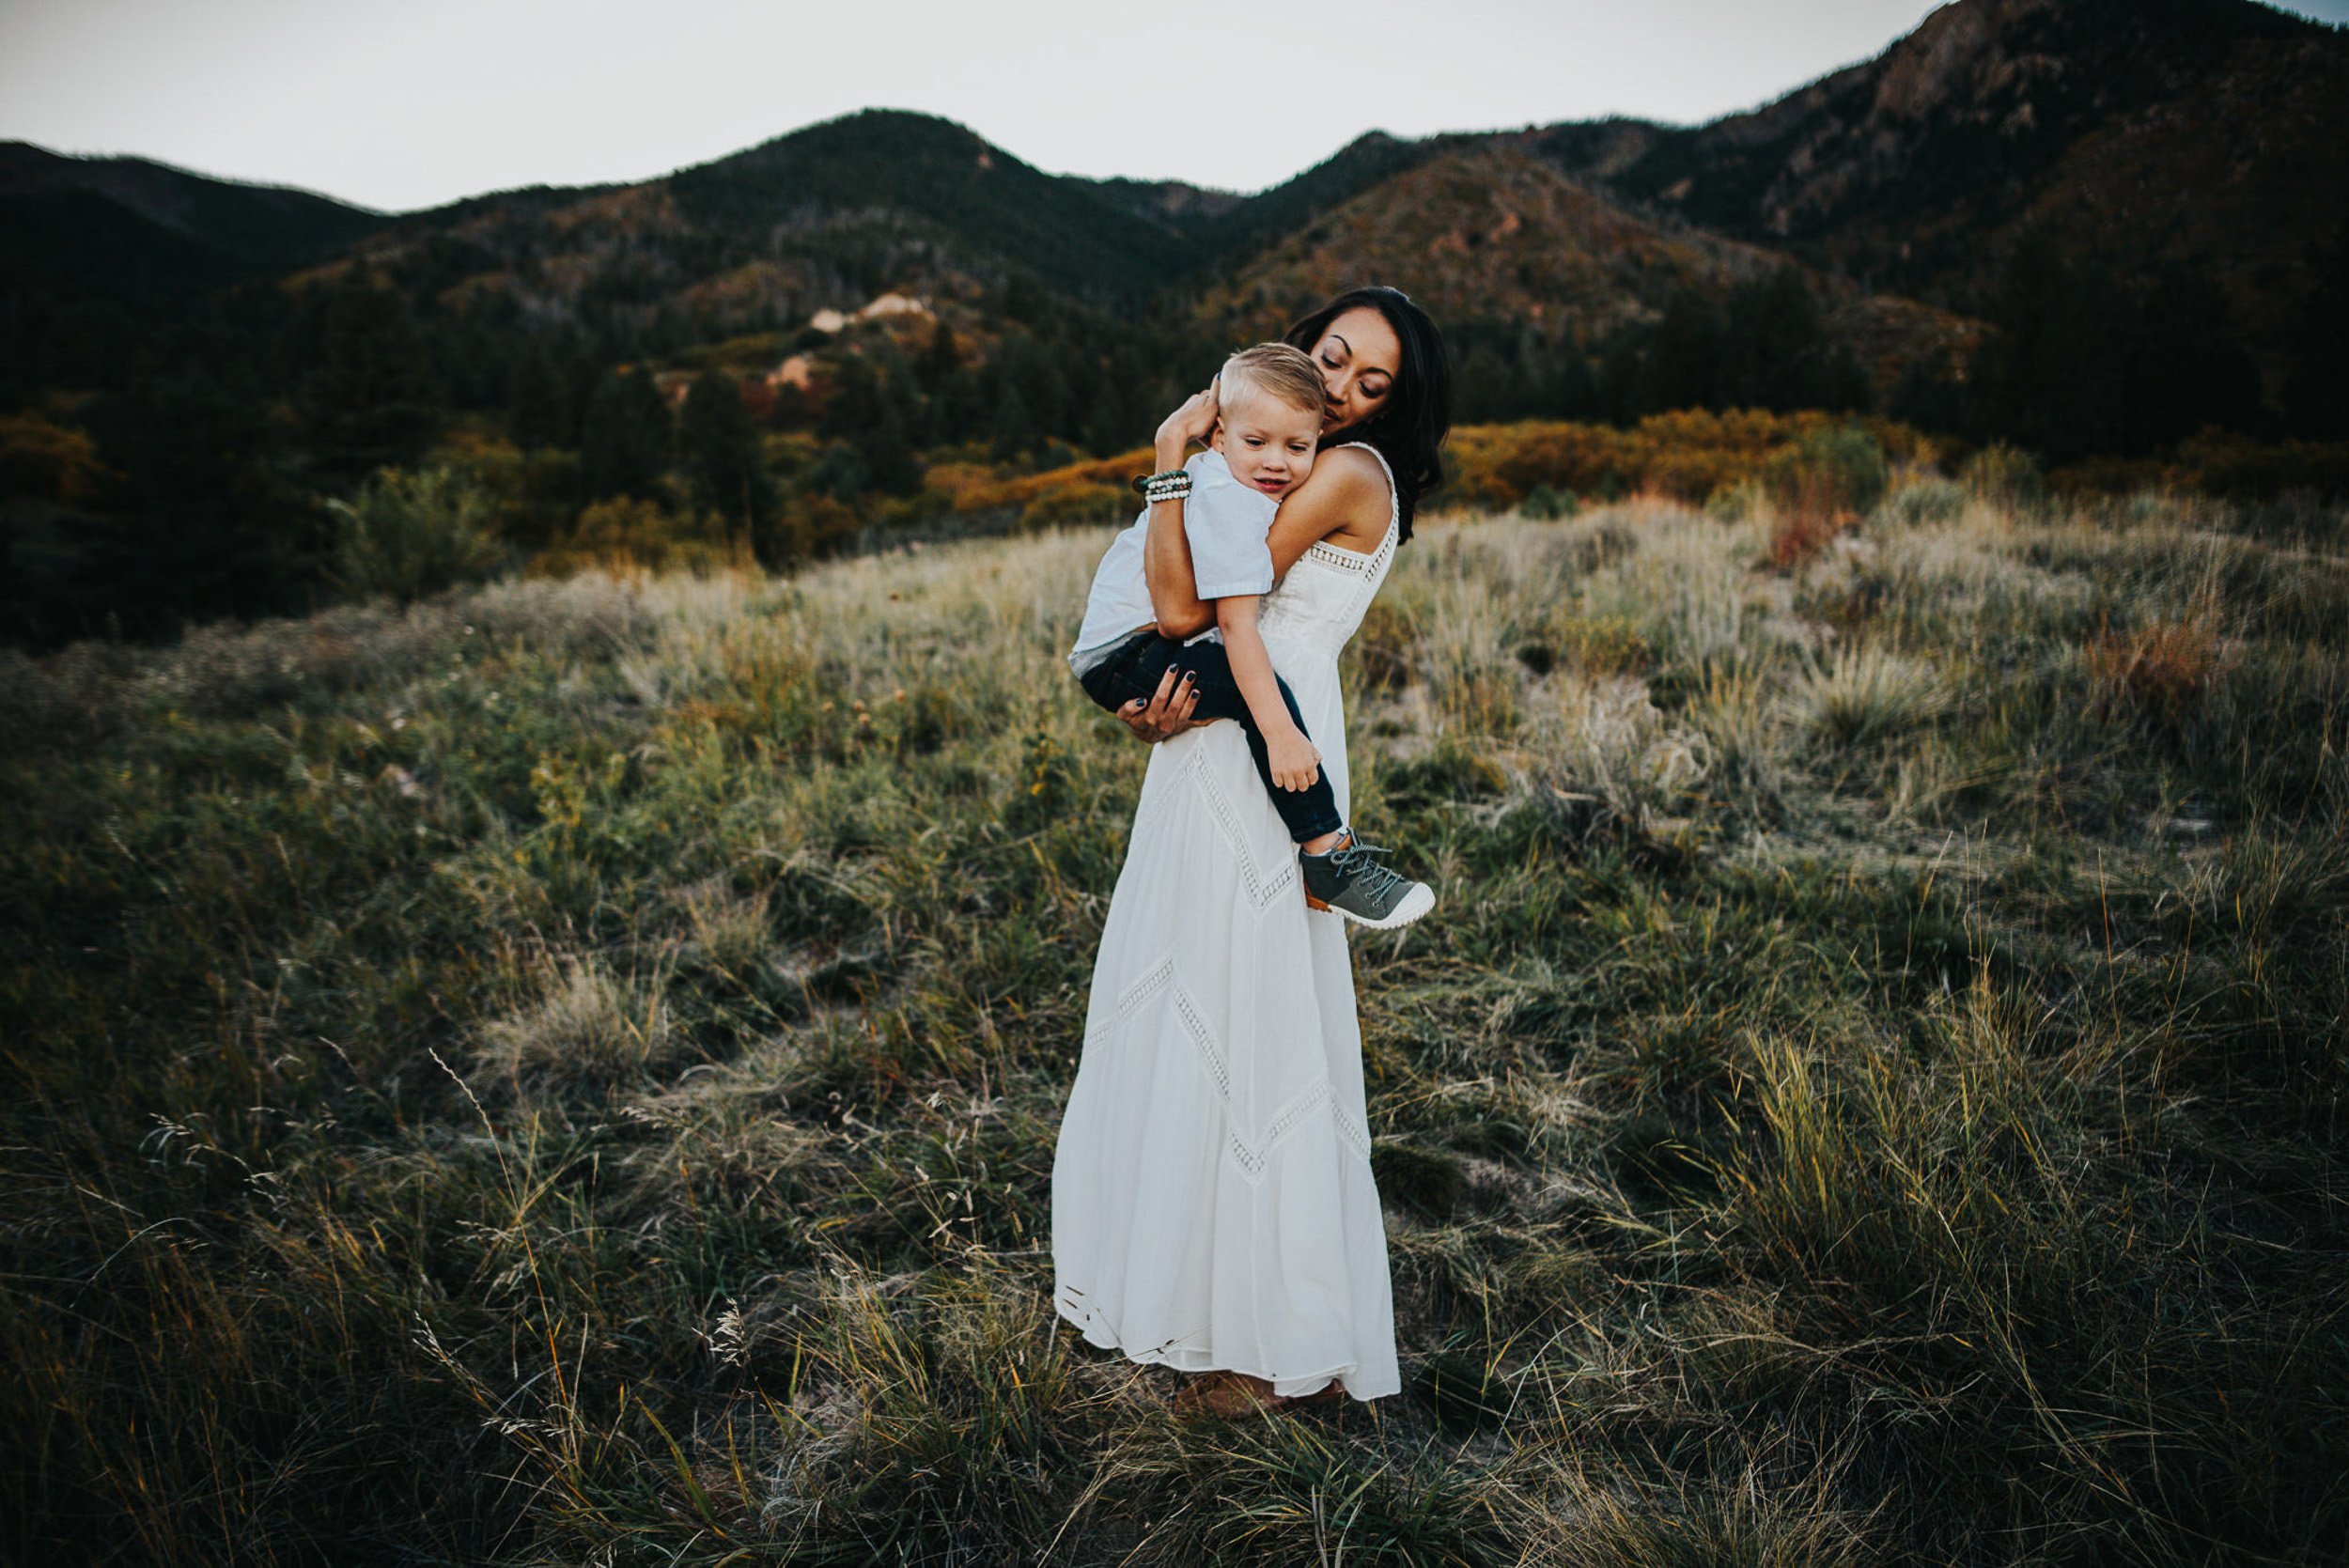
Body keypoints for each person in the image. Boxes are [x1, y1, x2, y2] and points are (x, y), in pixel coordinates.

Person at [1051, 286, 1453, 1419]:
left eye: (1371, 383)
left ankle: (1254, 1341)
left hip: (1258, 754)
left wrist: (1172, 456)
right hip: (1234, 736)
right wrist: (1145, 694)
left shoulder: (1332, 468)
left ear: (1395, 405)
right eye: (1332, 357)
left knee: (1244, 1015)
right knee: (1217, 1004)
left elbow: (1188, 607)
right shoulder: (1293, 452)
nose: (1341, 387)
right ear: (1300, 342)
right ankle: (1207, 1309)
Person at [1068, 341, 1434, 928]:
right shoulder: (1231, 501)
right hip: (1130, 652)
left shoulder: (1227, 473)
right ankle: (1328, 856)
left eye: (1297, 447)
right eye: (1332, 362)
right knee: (1263, 702)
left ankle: (1326, 858)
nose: (1276, 462)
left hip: (1121, 649)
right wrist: (1283, 736)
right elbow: (1223, 622)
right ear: (1218, 435)